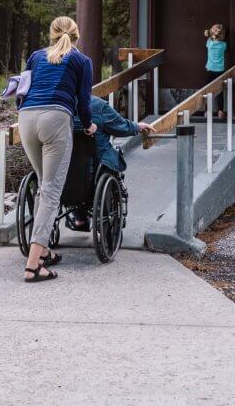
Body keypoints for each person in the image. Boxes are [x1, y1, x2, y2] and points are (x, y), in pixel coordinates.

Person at [17, 15, 95, 283]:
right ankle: (32, 266)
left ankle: (43, 251)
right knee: (51, 191)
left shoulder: (36, 56)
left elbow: (23, 91)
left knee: (43, 185)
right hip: (56, 117)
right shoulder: (81, 61)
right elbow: (83, 102)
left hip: (26, 118)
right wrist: (88, 126)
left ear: (51, 34)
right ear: (77, 35)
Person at [64, 95, 154, 232]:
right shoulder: (98, 105)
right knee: (109, 159)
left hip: (63, 177)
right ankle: (106, 212)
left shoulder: (58, 107)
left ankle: (80, 219)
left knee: (73, 164)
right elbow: (121, 127)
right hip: (93, 173)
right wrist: (136, 127)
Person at [204, 23, 228, 118]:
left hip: (210, 70)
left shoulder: (209, 44)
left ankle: (207, 111)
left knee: (208, 91)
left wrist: (210, 34)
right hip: (220, 71)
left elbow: (208, 36)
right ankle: (220, 111)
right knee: (220, 91)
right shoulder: (223, 45)